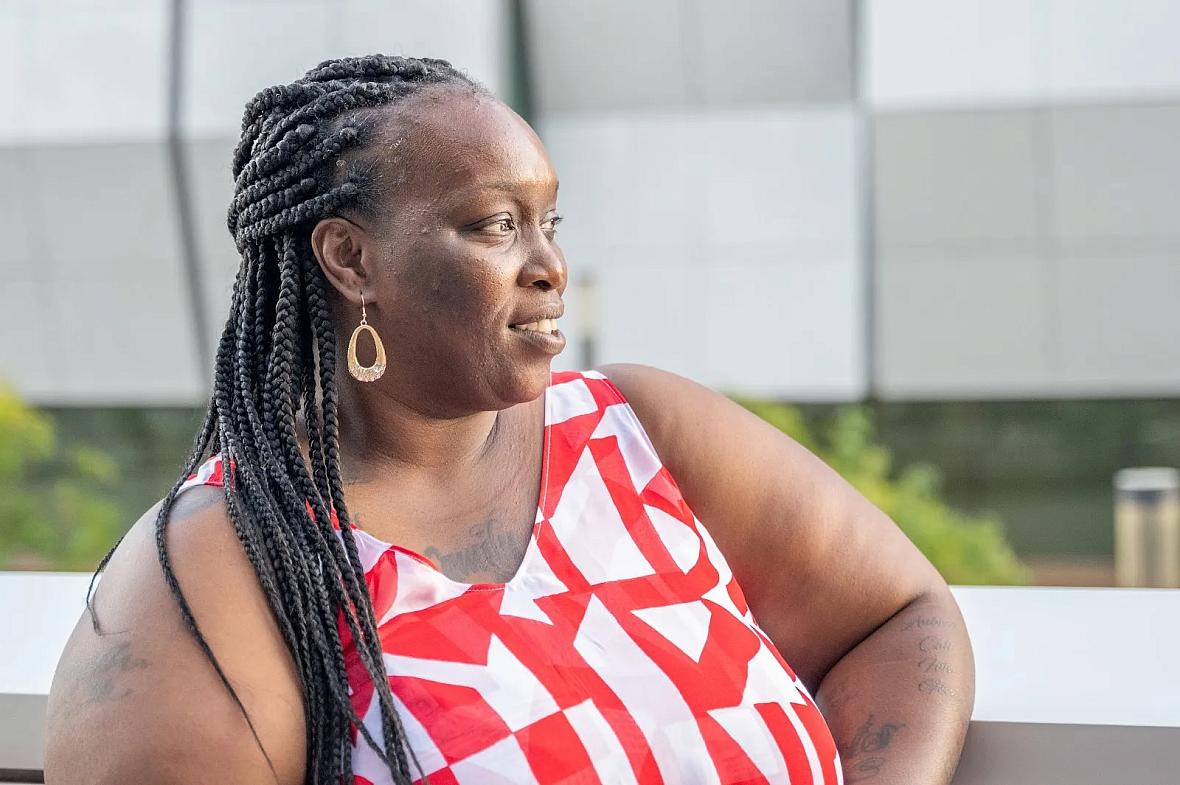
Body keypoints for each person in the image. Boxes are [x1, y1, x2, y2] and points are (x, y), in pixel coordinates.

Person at [43, 54, 973, 785]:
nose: (549, 266)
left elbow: (902, 615)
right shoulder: (228, 559)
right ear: (350, 259)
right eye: (495, 225)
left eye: (549, 223)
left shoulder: (639, 432)